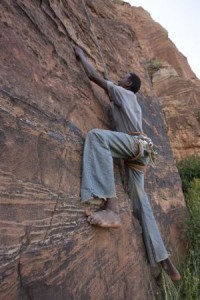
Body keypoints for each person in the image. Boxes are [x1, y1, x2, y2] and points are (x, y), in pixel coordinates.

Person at [74, 45, 181, 281]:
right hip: (140, 153)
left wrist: (81, 55)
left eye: (124, 78)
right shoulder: (131, 101)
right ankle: (166, 261)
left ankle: (112, 210)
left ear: (129, 84)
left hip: (134, 145)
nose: (120, 78)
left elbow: (94, 77)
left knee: (96, 137)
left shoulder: (126, 94)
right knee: (141, 205)